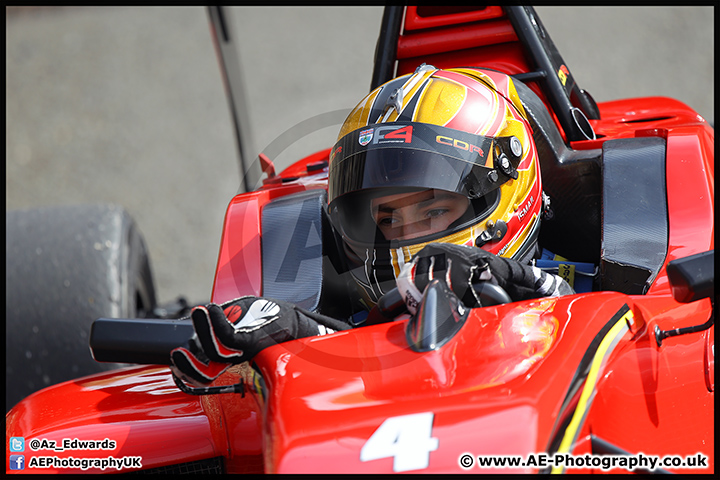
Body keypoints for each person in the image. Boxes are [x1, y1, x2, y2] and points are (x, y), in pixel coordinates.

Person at [170, 66, 574, 386]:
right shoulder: (347, 330)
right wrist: (288, 339)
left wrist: (509, 282)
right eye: (389, 219)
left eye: (434, 212)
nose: (409, 236)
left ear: (508, 192)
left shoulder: (596, 290)